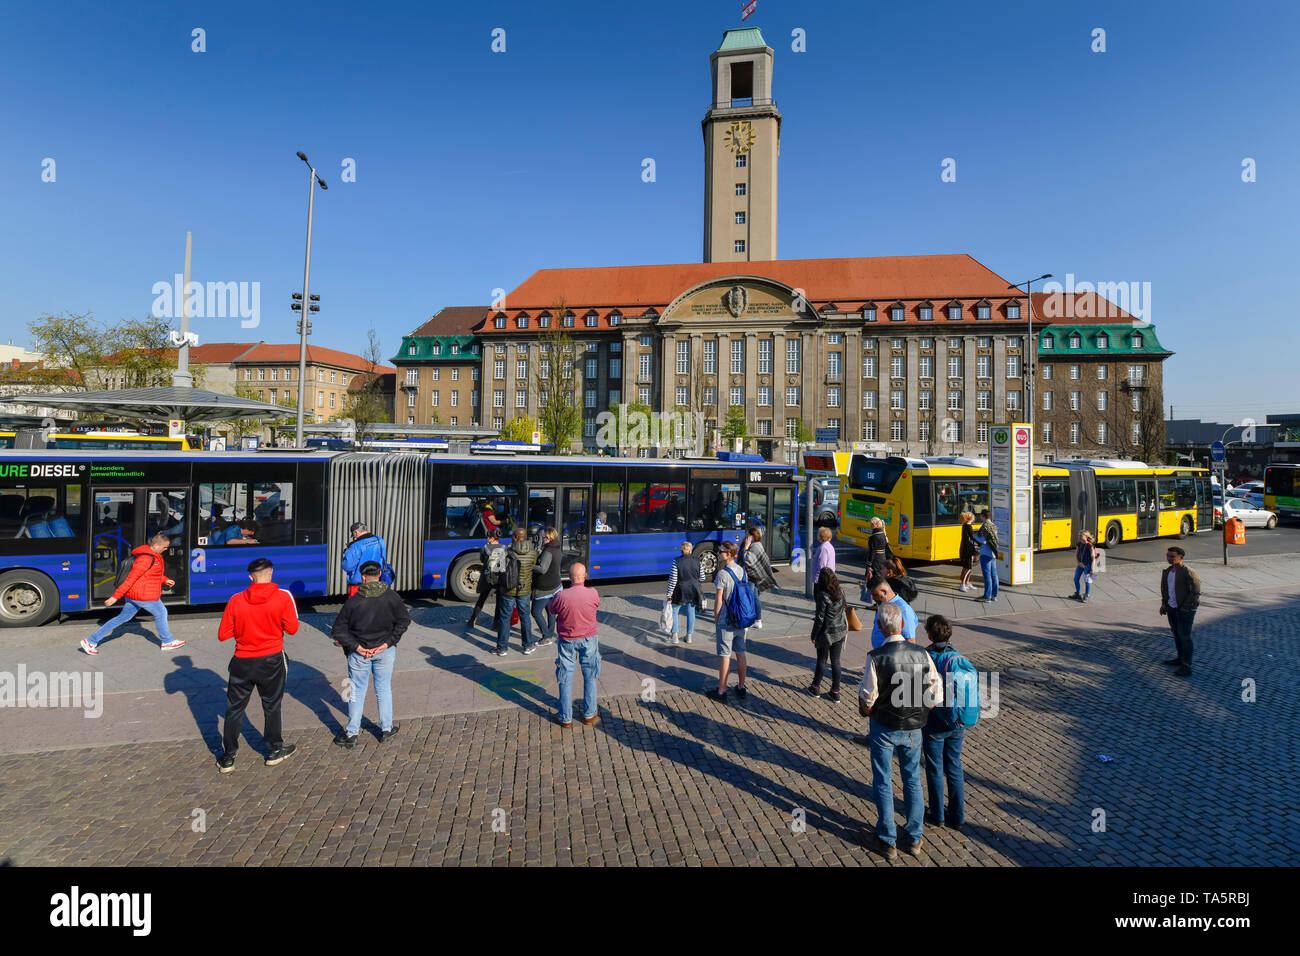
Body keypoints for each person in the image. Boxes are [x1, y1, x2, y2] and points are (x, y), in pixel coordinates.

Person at [858, 602, 943, 860]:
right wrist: (921, 706)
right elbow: (936, 693)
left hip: (884, 725)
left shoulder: (875, 657)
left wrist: (866, 709)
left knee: (883, 780)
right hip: (914, 727)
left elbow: (867, 698)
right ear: (902, 624)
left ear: (881, 628)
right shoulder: (921, 654)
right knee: (912, 780)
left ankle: (888, 839)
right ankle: (915, 837)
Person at [215, 557, 300, 772]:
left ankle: (228, 756)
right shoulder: (283, 596)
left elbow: (223, 635)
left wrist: (246, 627)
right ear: (271, 573)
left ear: (250, 577)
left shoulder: (236, 599)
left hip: (242, 660)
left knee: (234, 709)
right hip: (271, 658)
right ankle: (273, 750)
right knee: (271, 705)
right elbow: (292, 629)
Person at [332, 560, 411, 748]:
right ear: (380, 576)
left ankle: (351, 734)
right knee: (383, 689)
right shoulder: (392, 597)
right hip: (385, 652)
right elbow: (404, 621)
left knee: (356, 692)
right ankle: (386, 729)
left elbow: (338, 630)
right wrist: (387, 643)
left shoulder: (354, 601)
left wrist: (357, 647)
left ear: (363, 577)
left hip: (359, 654)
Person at [80, 533, 184, 654]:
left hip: (136, 594)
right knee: (161, 613)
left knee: (122, 618)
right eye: (165, 547)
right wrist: (115, 597)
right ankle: (167, 641)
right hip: (143, 595)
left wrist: (165, 580)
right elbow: (131, 579)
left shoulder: (155, 555)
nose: (166, 549)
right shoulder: (145, 558)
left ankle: (91, 641)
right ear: (156, 545)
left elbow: (151, 575)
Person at [921, 615, 966, 831]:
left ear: (930, 634)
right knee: (954, 766)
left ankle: (937, 813)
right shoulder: (958, 657)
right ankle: (957, 816)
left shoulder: (926, 657)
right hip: (957, 721)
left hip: (934, 721)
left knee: (935, 767)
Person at [549, 561, 601, 727]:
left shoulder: (562, 596)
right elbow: (596, 606)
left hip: (567, 640)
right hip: (589, 638)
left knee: (565, 677)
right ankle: (589, 714)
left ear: (569, 577)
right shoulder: (593, 593)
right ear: (585, 576)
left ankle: (566, 718)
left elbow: (552, 609)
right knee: (590, 675)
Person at [708, 541, 750, 701]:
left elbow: (719, 600)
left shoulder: (722, 574)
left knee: (725, 655)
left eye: (721, 552)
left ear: (729, 554)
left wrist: (716, 617)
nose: (718, 554)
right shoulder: (742, 571)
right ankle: (741, 687)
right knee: (741, 653)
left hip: (726, 619)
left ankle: (722, 691)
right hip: (741, 618)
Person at [495, 527, 537, 656]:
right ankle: (527, 645)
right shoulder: (533, 552)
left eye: (513, 535)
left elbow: (499, 569)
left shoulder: (506, 551)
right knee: (525, 618)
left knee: (505, 618)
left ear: (516, 537)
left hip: (508, 589)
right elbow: (532, 567)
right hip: (524, 590)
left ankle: (502, 648)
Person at [1159, 545, 1200, 677]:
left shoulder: (1188, 572)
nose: (1169, 558)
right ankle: (1180, 658)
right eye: (1168, 556)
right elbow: (1166, 590)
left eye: (1172, 556)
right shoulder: (1167, 571)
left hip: (1185, 610)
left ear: (1180, 558)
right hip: (1172, 608)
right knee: (1177, 635)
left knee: (1185, 637)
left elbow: (1195, 592)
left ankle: (1186, 666)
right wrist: (1164, 604)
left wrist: (1185, 607)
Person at [809, 567, 847, 702]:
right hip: (840, 631)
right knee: (836, 661)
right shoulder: (840, 591)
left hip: (826, 633)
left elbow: (819, 619)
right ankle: (835, 691)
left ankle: (815, 687)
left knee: (822, 660)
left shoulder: (822, 595)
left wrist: (813, 635)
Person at [666, 540, 704, 644]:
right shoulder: (698, 560)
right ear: (691, 550)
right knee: (691, 612)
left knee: (674, 611)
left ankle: (675, 636)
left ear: (681, 550)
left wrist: (669, 594)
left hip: (680, 589)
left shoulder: (676, 561)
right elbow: (703, 577)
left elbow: (673, 580)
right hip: (693, 589)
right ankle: (689, 636)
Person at [865, 575, 918, 649]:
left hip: (892, 657)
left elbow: (910, 641)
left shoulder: (904, 610)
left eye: (875, 595)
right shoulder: (883, 604)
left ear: (884, 592)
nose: (873, 598)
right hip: (882, 654)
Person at [531, 526, 562, 648]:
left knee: (535, 611)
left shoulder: (548, 551)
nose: (543, 539)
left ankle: (546, 636)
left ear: (550, 538)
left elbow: (542, 569)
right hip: (556, 585)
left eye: (545, 537)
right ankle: (549, 633)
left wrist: (530, 566)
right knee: (550, 611)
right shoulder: (557, 547)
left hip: (545, 588)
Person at [468, 528, 505, 629]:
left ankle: (473, 619)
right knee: (499, 600)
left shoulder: (485, 548)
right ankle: (496, 622)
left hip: (487, 576)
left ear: (492, 538)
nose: (487, 538)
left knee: (482, 599)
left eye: (488, 537)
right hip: (499, 578)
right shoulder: (503, 548)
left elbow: (482, 560)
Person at [342, 521, 387, 599]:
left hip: (359, 583)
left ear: (356, 532)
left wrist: (346, 554)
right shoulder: (380, 540)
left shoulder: (354, 546)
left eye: (353, 535)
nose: (354, 537)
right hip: (376, 580)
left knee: (356, 607)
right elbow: (383, 559)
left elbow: (347, 566)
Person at [741, 525, 778, 595]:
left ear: (752, 537)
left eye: (747, 536)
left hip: (753, 576)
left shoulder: (755, 546)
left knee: (750, 595)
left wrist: (746, 546)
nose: (746, 537)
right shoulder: (756, 544)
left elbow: (748, 560)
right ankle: (755, 606)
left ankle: (751, 606)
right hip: (754, 576)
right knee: (754, 596)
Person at [975, 509, 1001, 602]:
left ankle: (987, 596)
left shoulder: (985, 526)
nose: (980, 517)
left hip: (985, 553)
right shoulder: (994, 526)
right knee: (994, 575)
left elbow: (984, 540)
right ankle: (994, 595)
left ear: (983, 516)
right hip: (993, 553)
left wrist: (976, 537)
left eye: (981, 515)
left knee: (987, 576)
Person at [1071, 531, 1097, 602]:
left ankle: (1087, 595)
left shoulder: (1090, 545)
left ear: (1086, 537)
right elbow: (1076, 554)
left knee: (1087, 580)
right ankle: (1077, 594)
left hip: (1087, 565)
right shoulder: (1079, 544)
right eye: (1078, 536)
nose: (1079, 537)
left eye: (1081, 536)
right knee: (1076, 579)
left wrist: (1092, 569)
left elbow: (1093, 558)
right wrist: (1078, 563)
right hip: (1080, 565)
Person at [957, 512, 977, 592]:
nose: (974, 518)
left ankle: (966, 583)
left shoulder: (965, 525)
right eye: (973, 517)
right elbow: (972, 538)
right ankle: (962, 585)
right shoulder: (968, 526)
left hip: (965, 549)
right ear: (970, 518)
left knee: (966, 567)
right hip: (967, 550)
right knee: (968, 568)